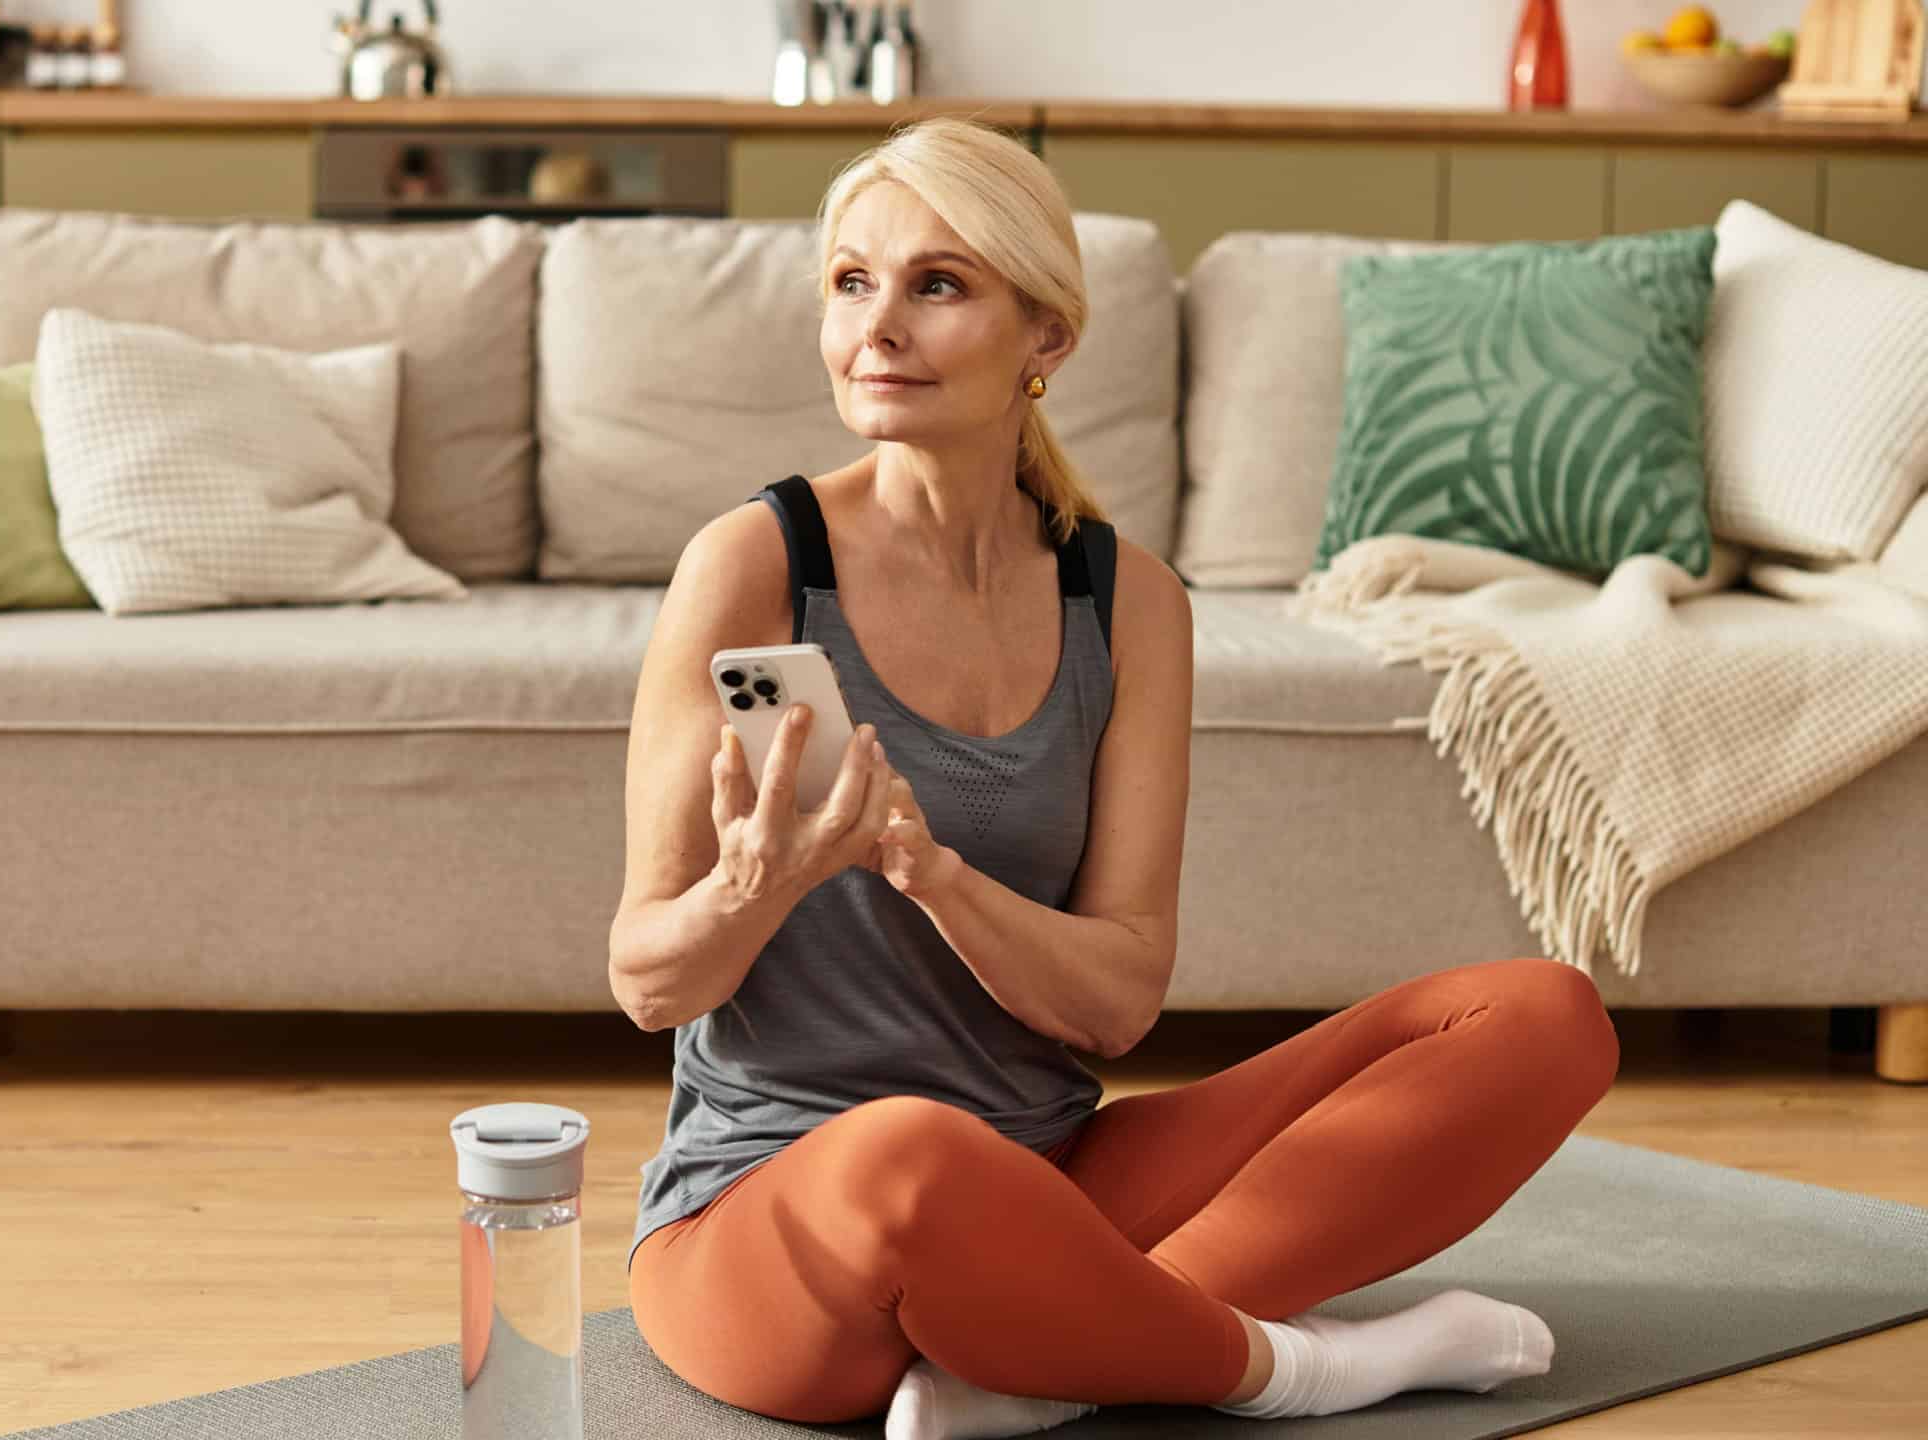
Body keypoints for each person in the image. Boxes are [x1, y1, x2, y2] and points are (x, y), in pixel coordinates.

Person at [605, 116, 1621, 1440]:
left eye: (939, 284)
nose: (879, 325)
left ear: (1049, 339)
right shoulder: (753, 564)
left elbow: (1119, 999)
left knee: (1543, 1019)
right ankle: (1303, 1366)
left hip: (1057, 1182)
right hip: (781, 1219)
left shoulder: (1126, 601)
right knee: (914, 1154)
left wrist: (933, 875)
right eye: (852, 281)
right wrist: (754, 887)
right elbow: (647, 979)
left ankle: (1048, 1356)